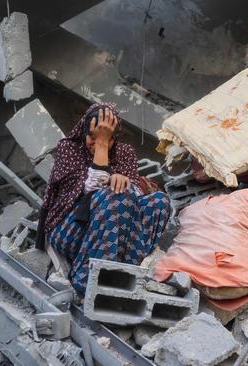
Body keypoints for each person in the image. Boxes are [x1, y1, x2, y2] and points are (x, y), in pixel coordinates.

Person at [37, 102, 171, 294]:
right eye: (93, 136)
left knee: (158, 201)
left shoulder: (124, 153)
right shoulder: (69, 149)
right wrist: (101, 147)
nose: (99, 142)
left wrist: (124, 181)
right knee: (114, 197)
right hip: (70, 229)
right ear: (84, 131)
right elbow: (89, 192)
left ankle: (126, 274)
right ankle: (88, 278)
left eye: (107, 139)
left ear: (114, 138)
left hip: (115, 237)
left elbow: (135, 198)